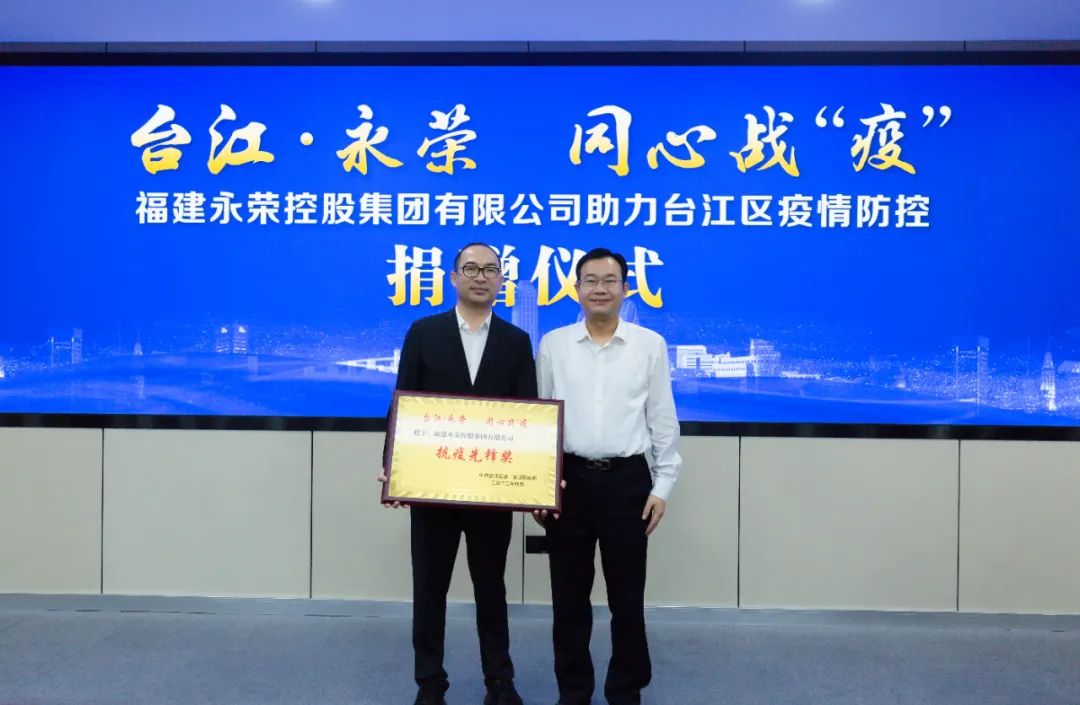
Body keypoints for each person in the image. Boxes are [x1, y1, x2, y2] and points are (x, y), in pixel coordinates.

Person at [380, 242, 537, 705]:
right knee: (430, 588)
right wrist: (393, 468)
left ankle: (499, 682)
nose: (480, 277)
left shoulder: (515, 341)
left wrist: (533, 480)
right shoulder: (424, 332)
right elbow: (403, 401)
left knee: (492, 587)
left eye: (490, 270)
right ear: (453, 277)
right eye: (471, 268)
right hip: (433, 487)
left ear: (501, 280)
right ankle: (430, 684)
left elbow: (528, 416)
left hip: (492, 489)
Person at [535, 247, 682, 705]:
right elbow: (540, 417)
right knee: (568, 601)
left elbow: (662, 419)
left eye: (610, 280)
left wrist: (662, 485)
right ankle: (573, 692)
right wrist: (539, 484)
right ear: (577, 289)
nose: (600, 288)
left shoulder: (649, 345)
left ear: (625, 288)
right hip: (569, 482)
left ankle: (625, 691)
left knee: (627, 600)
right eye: (591, 280)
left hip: (627, 483)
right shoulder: (554, 344)